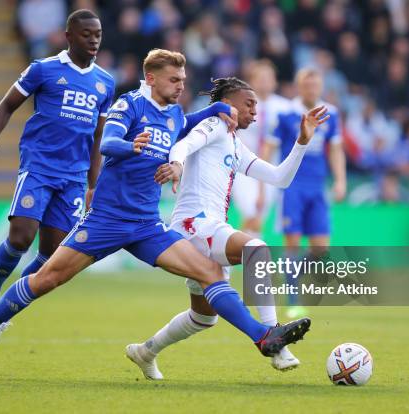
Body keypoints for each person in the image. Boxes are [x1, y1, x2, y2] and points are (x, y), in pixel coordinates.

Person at [0, 49, 311, 377]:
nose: (180, 86)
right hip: (106, 221)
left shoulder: (172, 114)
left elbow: (187, 127)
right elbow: (107, 143)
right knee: (47, 279)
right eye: (174, 80)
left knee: (210, 271)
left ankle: (263, 337)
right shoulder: (130, 105)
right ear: (151, 78)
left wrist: (215, 109)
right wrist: (131, 146)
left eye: (183, 81)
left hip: (146, 226)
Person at [125, 77, 329, 380]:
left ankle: (146, 351)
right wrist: (177, 165)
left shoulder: (234, 142)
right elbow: (183, 145)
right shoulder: (214, 126)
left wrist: (301, 142)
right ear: (229, 104)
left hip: (204, 229)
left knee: (203, 318)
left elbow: (278, 178)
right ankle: (275, 341)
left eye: (257, 106)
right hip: (195, 224)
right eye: (249, 104)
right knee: (256, 250)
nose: (255, 112)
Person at [0, 10, 115, 354]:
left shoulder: (105, 83)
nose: (93, 39)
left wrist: (93, 184)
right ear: (68, 35)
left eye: (97, 34)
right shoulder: (43, 69)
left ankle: (3, 313)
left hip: (74, 177)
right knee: (20, 238)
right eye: (86, 34)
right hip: (39, 166)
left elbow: (98, 136)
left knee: (50, 255)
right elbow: (6, 106)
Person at [272, 68, 346, 318]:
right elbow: (270, 147)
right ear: (299, 86)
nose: (311, 88)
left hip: (317, 186)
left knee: (321, 248)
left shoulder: (331, 114)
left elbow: (336, 150)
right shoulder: (286, 114)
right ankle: (293, 298)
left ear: (321, 86)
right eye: (306, 84)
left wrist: (340, 180)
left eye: (315, 84)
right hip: (292, 186)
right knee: (292, 243)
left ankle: (289, 276)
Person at [231, 60, 292, 238]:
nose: (265, 82)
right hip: (243, 165)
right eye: (260, 78)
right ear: (252, 82)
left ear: (275, 82)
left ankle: (247, 258)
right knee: (250, 209)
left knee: (259, 216)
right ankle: (244, 257)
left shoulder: (285, 108)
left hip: (270, 167)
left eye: (268, 78)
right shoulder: (239, 105)